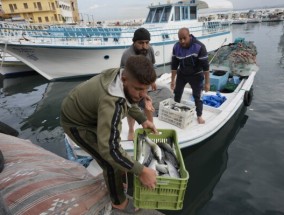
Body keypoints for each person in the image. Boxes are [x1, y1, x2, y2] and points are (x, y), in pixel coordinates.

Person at [60, 55, 157, 213]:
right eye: (139, 88)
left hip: (90, 113)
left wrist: (142, 119)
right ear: (124, 79)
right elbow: (110, 150)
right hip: (76, 123)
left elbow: (128, 99)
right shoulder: (111, 103)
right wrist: (142, 171)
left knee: (117, 160)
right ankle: (118, 202)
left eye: (145, 88)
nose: (142, 94)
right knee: (110, 162)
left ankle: (118, 181)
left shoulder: (121, 77)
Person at [120, 27, 156, 141]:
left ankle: (151, 127)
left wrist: (153, 81)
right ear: (134, 42)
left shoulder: (150, 50)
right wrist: (141, 94)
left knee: (148, 106)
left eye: (147, 43)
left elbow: (152, 66)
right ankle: (131, 129)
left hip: (145, 82)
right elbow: (124, 78)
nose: (144, 46)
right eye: (141, 43)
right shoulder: (127, 55)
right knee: (132, 107)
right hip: (132, 86)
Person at [170, 27, 210, 124]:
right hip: (182, 73)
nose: (182, 41)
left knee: (197, 96)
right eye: (180, 39)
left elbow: (206, 67)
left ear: (189, 36)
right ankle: (176, 110)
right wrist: (172, 81)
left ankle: (199, 115)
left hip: (196, 75)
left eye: (184, 38)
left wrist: (207, 83)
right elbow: (174, 66)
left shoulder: (199, 46)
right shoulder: (176, 47)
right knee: (177, 92)